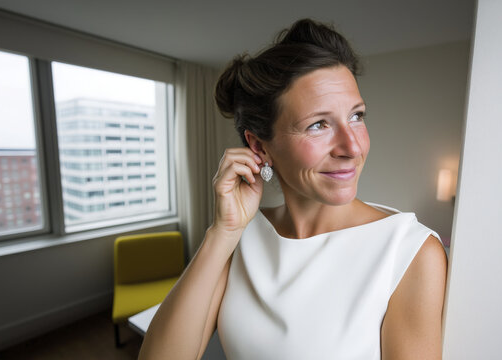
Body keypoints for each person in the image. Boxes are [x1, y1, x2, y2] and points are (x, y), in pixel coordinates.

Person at [139, 18, 448, 360]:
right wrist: (221, 232)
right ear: (260, 148)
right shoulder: (241, 236)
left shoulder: (410, 253)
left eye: (356, 116)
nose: (352, 147)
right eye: (318, 124)